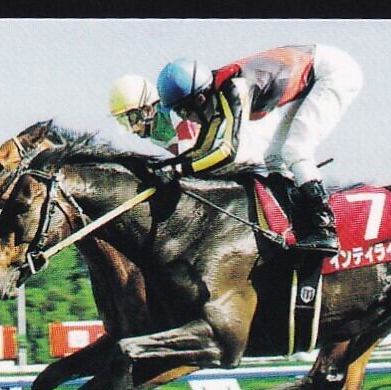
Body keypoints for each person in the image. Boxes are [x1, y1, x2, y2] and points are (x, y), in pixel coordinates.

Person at [154, 45, 363, 255]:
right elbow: (203, 148)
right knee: (273, 157)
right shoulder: (215, 94)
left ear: (199, 99)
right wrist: (168, 165)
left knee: (296, 150)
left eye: (182, 111)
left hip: (333, 72)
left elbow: (227, 151)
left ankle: (325, 228)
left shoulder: (232, 89)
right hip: (314, 74)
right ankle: (295, 223)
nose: (185, 119)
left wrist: (178, 169)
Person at [108, 74, 197, 156]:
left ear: (147, 110)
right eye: (122, 121)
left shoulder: (177, 121)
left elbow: (188, 155)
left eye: (132, 118)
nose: (132, 130)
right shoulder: (155, 135)